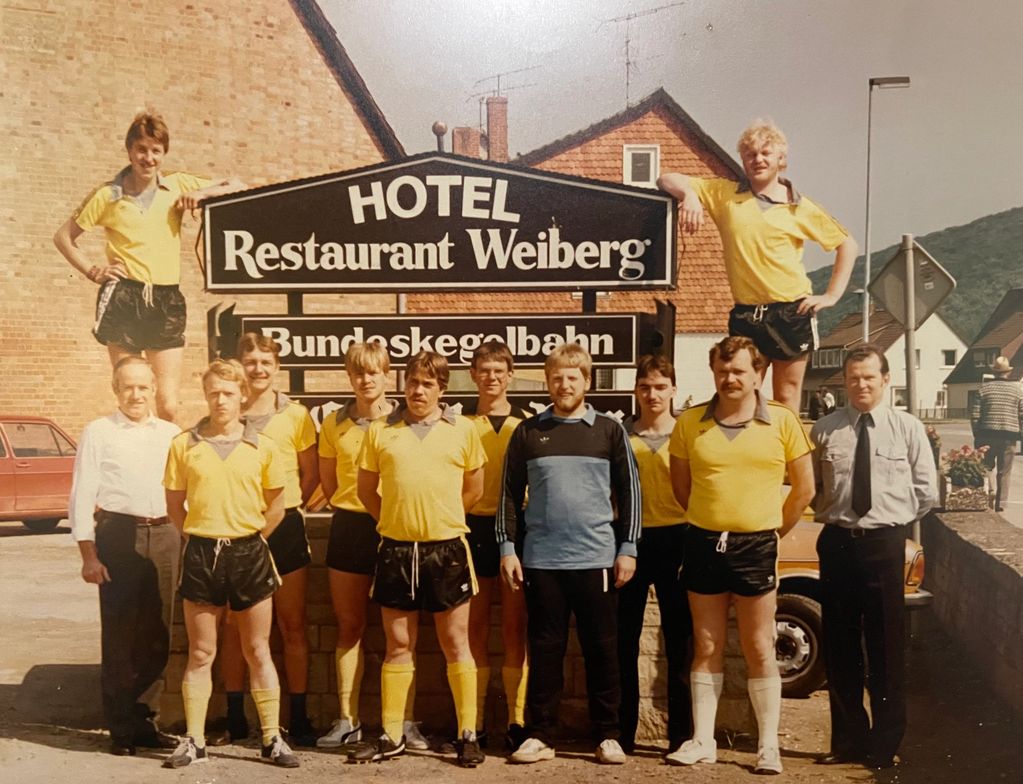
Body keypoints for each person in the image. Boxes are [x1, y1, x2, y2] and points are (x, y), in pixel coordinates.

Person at [667, 336, 814, 774]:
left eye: (739, 371)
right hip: (703, 543)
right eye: (722, 371)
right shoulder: (691, 422)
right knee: (707, 644)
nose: (730, 379)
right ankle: (702, 740)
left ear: (759, 374)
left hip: (756, 547)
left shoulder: (784, 421)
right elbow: (682, 488)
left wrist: (768, 528)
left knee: (758, 645)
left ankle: (769, 746)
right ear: (714, 373)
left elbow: (804, 489)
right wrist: (713, 517)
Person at [498, 343, 640, 766]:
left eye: (573, 377)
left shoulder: (609, 431)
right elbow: (507, 494)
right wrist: (508, 548)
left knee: (603, 649)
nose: (564, 384)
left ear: (587, 382)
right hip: (542, 559)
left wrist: (628, 547)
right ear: (547, 381)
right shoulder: (528, 432)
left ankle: (608, 734)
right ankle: (540, 734)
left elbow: (631, 492)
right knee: (544, 650)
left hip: (597, 558)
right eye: (557, 377)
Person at [53, 111, 242, 422]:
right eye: (141, 149)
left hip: (166, 300)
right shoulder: (107, 195)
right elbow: (63, 238)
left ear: (163, 153)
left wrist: (200, 193)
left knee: (168, 405)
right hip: (124, 298)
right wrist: (92, 270)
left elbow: (237, 184)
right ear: (130, 151)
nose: (148, 158)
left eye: (156, 151)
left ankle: (167, 469)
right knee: (133, 397)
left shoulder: (177, 185)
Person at [657, 120, 858, 412]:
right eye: (750, 154)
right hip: (747, 313)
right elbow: (666, 179)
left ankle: (783, 457)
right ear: (743, 160)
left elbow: (847, 244)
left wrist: (831, 296)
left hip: (791, 310)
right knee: (740, 393)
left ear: (781, 159)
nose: (758, 160)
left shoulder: (798, 206)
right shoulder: (724, 194)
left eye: (766, 153)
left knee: (786, 398)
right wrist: (690, 195)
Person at [352, 350, 487, 767]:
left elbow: (474, 491)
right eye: (412, 382)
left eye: (428, 383)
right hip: (396, 549)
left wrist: (438, 520)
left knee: (455, 642)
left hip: (446, 550)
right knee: (398, 644)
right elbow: (365, 491)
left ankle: (468, 733)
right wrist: (397, 521)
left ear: (442, 388)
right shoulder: (381, 430)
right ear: (403, 385)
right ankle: (391, 734)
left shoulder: (462, 430)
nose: (418, 390)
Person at [162, 359, 299, 769]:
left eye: (227, 392)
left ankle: (272, 738)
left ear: (242, 394)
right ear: (205, 395)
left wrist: (248, 537)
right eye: (213, 393)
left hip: (249, 552)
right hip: (203, 552)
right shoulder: (184, 444)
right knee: (202, 652)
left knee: (257, 648)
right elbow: (174, 506)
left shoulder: (263, 446)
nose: (220, 400)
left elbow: (276, 506)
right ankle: (195, 740)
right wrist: (202, 534)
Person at [811, 344, 937, 769]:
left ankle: (884, 746)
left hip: (884, 545)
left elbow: (925, 492)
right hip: (838, 541)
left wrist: (890, 523)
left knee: (885, 646)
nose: (860, 384)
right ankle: (847, 742)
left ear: (886, 380)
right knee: (841, 646)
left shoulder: (907, 428)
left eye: (869, 377)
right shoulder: (825, 429)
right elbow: (814, 487)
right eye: (853, 378)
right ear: (844, 382)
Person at [316, 343, 430, 752]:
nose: (367, 380)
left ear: (388, 376)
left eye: (374, 372)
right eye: (358, 373)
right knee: (349, 626)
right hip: (350, 526)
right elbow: (329, 486)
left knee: (401, 635)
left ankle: (404, 722)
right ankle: (346, 720)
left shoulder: (403, 421)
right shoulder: (334, 423)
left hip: (395, 527)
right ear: (350, 377)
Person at [68, 356, 182, 756]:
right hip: (118, 534)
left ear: (154, 389)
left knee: (159, 633)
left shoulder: (171, 433)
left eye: (143, 387)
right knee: (120, 635)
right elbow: (82, 493)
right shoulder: (98, 432)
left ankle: (145, 722)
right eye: (128, 387)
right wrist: (88, 554)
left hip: (166, 533)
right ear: (116, 389)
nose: (136, 394)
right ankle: (120, 730)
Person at [214, 334, 319, 745]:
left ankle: (300, 717)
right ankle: (235, 716)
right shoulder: (227, 413)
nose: (258, 368)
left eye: (265, 360)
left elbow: (311, 475)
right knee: (234, 628)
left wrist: (285, 508)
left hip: (284, 527)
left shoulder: (295, 415)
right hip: (236, 528)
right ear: (240, 365)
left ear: (278, 365)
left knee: (291, 625)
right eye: (250, 360)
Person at [617, 355, 692, 755]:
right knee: (624, 641)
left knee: (679, 640)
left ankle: (681, 735)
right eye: (645, 386)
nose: (652, 394)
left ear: (673, 390)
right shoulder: (621, 434)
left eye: (661, 386)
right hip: (630, 542)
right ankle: (623, 732)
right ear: (636, 391)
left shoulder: (687, 433)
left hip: (677, 540)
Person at [463, 341, 529, 751]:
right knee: (473, 626)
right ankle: (473, 721)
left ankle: (516, 720)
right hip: (472, 527)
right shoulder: (460, 424)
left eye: (498, 370)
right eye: (484, 370)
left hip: (516, 531)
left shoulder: (526, 424)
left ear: (510, 375)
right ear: (473, 375)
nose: (491, 377)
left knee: (514, 628)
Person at [971, 356, 1023, 512]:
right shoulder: (1017, 390)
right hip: (1009, 436)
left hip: (986, 434)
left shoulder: (983, 389)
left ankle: (988, 495)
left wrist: (977, 434)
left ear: (993, 372)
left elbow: (975, 415)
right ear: (1007, 373)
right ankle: (1000, 504)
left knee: (985, 467)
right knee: (1004, 472)